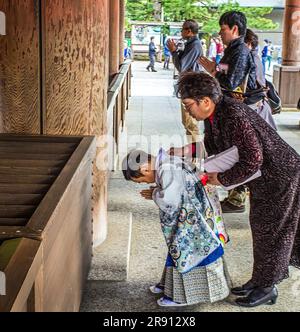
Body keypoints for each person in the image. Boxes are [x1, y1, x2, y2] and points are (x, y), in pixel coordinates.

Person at [176, 71, 300, 308]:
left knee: (274, 231)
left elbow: (253, 158)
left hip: (281, 176)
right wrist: (185, 151)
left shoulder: (232, 114)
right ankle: (259, 280)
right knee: (262, 228)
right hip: (265, 178)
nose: (188, 110)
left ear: (205, 101)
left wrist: (222, 179)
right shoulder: (216, 114)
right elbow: (213, 145)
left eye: (188, 104)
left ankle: (267, 288)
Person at [122, 148, 231, 307]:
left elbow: (169, 202)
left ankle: (183, 296)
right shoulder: (168, 163)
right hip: (194, 216)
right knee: (177, 252)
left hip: (193, 224)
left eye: (142, 180)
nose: (147, 182)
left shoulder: (167, 170)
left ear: (144, 169)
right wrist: (157, 190)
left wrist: (155, 194)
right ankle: (170, 286)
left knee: (190, 253)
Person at [199, 11, 264, 214]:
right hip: (228, 109)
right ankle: (233, 192)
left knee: (235, 151)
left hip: (237, 110)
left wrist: (214, 71)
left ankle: (237, 195)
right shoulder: (232, 50)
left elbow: (230, 83)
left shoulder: (241, 51)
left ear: (234, 29)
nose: (220, 32)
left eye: (223, 28)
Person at [167, 19, 203, 144]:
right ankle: (193, 152)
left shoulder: (194, 45)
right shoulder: (190, 43)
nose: (181, 32)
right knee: (187, 123)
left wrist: (173, 51)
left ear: (189, 31)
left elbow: (182, 66)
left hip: (192, 88)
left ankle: (196, 155)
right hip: (188, 86)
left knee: (190, 123)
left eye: (182, 29)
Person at [244, 29, 277, 130]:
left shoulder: (251, 58)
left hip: (257, 105)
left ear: (248, 43)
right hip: (257, 104)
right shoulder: (253, 56)